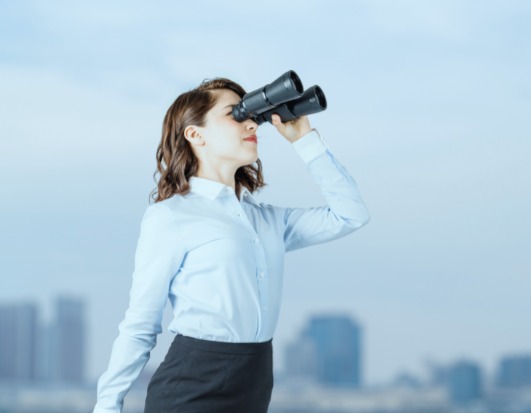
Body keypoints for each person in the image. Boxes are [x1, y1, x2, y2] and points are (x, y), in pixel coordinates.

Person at [92, 77, 370, 413]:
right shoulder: (170, 217)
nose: (252, 122)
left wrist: (305, 141)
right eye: (235, 114)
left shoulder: (267, 220)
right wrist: (107, 406)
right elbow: (140, 324)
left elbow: (350, 215)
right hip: (191, 387)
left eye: (251, 113)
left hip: (253, 384)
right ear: (195, 135)